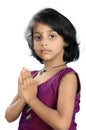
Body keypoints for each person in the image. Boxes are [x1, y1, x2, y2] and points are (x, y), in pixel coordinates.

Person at [5, 8, 81, 130]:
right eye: (38, 37)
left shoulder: (67, 77)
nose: (44, 42)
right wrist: (23, 99)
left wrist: (31, 99)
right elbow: (9, 116)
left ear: (66, 40)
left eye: (51, 36)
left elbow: (62, 125)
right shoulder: (32, 76)